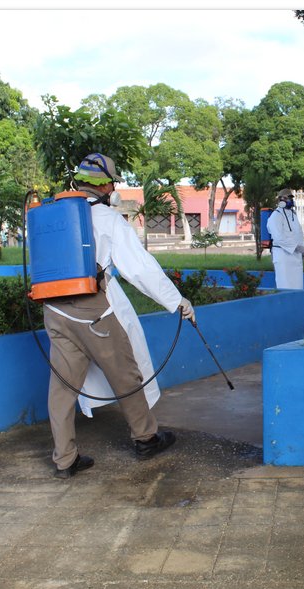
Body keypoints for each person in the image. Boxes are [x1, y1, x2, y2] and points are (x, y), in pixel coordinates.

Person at [41, 152, 196, 479]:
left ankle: (65, 459)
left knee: (62, 387)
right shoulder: (107, 219)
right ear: (106, 186)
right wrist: (176, 301)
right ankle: (146, 438)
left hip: (53, 309)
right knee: (126, 372)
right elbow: (139, 269)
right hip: (91, 311)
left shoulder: (51, 213)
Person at [266, 188, 304, 289]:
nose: (290, 200)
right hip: (283, 256)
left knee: (298, 286)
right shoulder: (275, 216)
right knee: (285, 285)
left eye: (291, 198)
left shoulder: (293, 215)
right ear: (280, 200)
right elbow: (278, 238)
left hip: (296, 256)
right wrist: (297, 247)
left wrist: (303, 251)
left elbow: (298, 234)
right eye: (287, 198)